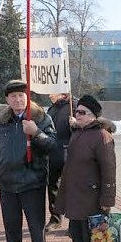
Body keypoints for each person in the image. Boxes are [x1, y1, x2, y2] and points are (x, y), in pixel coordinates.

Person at [0, 80, 57, 242]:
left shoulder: (41, 119)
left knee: (36, 230)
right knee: (12, 230)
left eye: (21, 95)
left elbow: (52, 145)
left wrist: (36, 133)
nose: (18, 99)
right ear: (7, 99)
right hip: (7, 185)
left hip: (32, 184)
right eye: (13, 96)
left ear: (28, 97)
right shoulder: (0, 122)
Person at [55, 95, 116, 242]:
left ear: (93, 116)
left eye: (82, 112)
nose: (77, 115)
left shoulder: (102, 136)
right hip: (75, 196)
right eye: (77, 111)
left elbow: (109, 170)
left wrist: (107, 199)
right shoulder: (78, 133)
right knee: (77, 235)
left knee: (96, 239)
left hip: (93, 199)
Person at [45, 92, 72, 232]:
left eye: (52, 92)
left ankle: (74, 222)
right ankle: (55, 219)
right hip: (53, 153)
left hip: (70, 154)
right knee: (53, 187)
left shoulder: (74, 105)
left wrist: (75, 124)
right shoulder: (52, 108)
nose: (49, 94)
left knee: (73, 188)